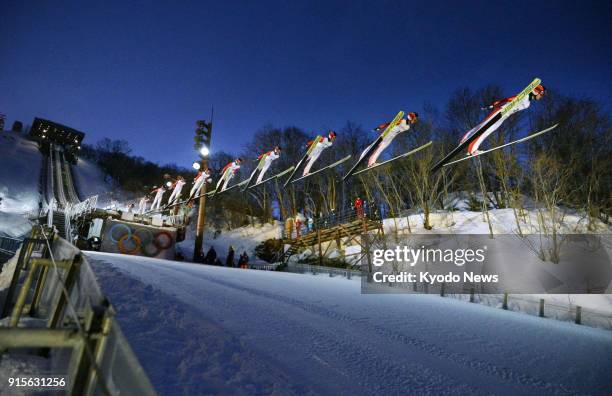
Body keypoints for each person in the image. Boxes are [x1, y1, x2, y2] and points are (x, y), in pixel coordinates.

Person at [465, 84, 546, 155]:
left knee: (488, 129)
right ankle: (472, 149)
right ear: (536, 91)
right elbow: (512, 98)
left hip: (505, 115)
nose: (541, 97)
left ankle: (466, 138)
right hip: (501, 111)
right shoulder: (524, 96)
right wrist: (499, 102)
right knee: (485, 127)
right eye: (541, 94)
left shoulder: (528, 103)